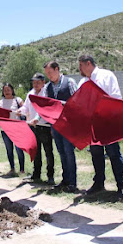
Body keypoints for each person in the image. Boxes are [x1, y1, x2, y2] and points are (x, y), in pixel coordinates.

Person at [78, 55, 123, 201]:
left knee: (113, 153)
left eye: (81, 65)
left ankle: (122, 186)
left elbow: (116, 97)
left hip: (108, 122)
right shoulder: (83, 82)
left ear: (88, 63)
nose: (79, 69)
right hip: (92, 125)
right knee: (96, 153)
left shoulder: (106, 75)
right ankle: (99, 183)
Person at [42, 61, 78, 193]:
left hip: (68, 125)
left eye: (50, 73)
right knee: (62, 153)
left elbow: (77, 102)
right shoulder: (47, 88)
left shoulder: (70, 82)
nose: (49, 76)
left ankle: (73, 182)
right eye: (47, 74)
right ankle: (65, 179)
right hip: (56, 126)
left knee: (69, 152)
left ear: (57, 69)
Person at [18, 72, 54, 184]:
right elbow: (26, 108)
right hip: (33, 127)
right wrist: (21, 111)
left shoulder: (47, 92)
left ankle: (50, 176)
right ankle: (36, 174)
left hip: (45, 126)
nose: (36, 84)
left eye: (38, 82)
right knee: (36, 151)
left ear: (43, 82)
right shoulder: (30, 94)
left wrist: (38, 119)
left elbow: (46, 108)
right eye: (34, 82)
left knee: (48, 152)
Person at [0, 83, 25, 176]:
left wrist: (20, 112)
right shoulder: (0, 103)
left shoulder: (18, 100)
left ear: (12, 90)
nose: (7, 92)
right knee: (9, 150)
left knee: (19, 149)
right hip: (5, 130)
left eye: (8, 90)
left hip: (17, 128)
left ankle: (22, 169)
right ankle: (12, 168)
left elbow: (25, 109)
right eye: (5, 90)